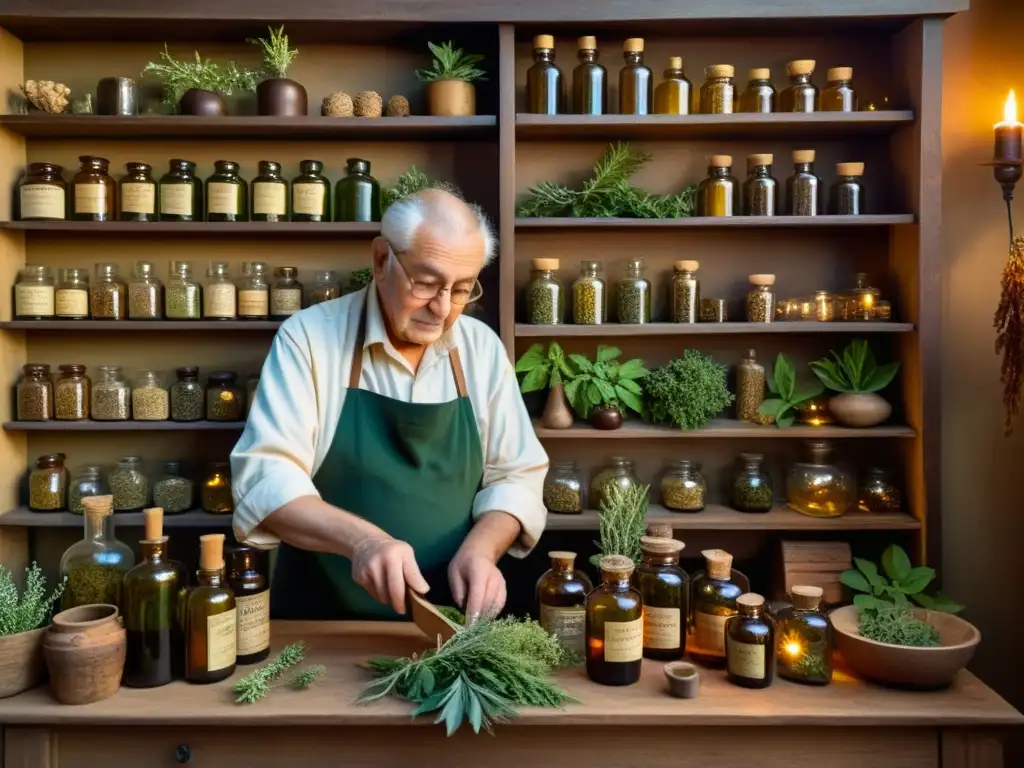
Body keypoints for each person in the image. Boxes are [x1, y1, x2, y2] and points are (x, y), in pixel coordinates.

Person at [230, 189, 548, 622]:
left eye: (460, 290)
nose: (441, 309)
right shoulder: (308, 338)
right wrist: (364, 542)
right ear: (381, 260)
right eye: (426, 283)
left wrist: (482, 549)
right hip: (323, 620)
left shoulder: (481, 350)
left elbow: (516, 476)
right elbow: (267, 479)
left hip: (451, 623)